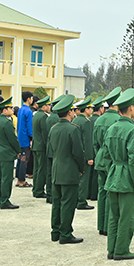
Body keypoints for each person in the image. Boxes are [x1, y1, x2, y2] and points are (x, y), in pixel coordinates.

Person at [101, 88, 134, 260]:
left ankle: (112, 249)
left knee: (114, 216)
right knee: (127, 217)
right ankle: (122, 250)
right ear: (131, 108)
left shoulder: (112, 129)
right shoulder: (133, 130)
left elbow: (105, 156)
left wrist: (112, 172)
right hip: (126, 177)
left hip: (113, 175)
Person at [47, 94, 86, 244]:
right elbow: (78, 153)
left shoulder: (53, 129)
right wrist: (81, 169)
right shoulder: (73, 129)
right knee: (68, 204)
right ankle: (65, 233)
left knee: (57, 203)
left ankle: (55, 231)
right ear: (70, 112)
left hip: (56, 170)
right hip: (69, 171)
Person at [93, 87, 122, 236]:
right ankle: (109, 226)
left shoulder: (99, 119)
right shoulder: (118, 120)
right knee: (112, 194)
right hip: (113, 161)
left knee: (102, 192)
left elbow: (95, 143)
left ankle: (101, 225)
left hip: (101, 159)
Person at [0, 97, 21, 209]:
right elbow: (12, 139)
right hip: (7, 153)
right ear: (4, 110)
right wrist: (18, 150)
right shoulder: (6, 122)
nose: (12, 110)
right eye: (10, 108)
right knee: (7, 178)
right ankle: (4, 200)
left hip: (0, 152)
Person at [74, 96, 95, 211]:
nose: (91, 110)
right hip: (84, 154)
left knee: (77, 177)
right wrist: (90, 157)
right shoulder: (86, 122)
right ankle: (81, 201)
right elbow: (87, 141)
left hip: (76, 153)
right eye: (90, 108)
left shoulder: (76, 120)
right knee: (84, 178)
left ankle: (76, 198)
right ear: (86, 110)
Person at [31, 96, 52, 200]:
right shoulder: (43, 117)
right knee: (41, 169)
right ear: (44, 107)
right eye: (48, 105)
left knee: (36, 168)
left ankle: (35, 188)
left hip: (35, 145)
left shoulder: (36, 115)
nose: (50, 107)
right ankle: (39, 190)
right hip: (41, 146)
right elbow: (45, 133)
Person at [15, 91, 34, 189]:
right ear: (28, 99)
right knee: (24, 160)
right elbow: (29, 126)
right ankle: (22, 180)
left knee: (20, 159)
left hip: (20, 137)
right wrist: (31, 138)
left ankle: (19, 179)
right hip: (26, 138)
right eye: (31, 98)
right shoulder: (28, 111)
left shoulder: (21, 109)